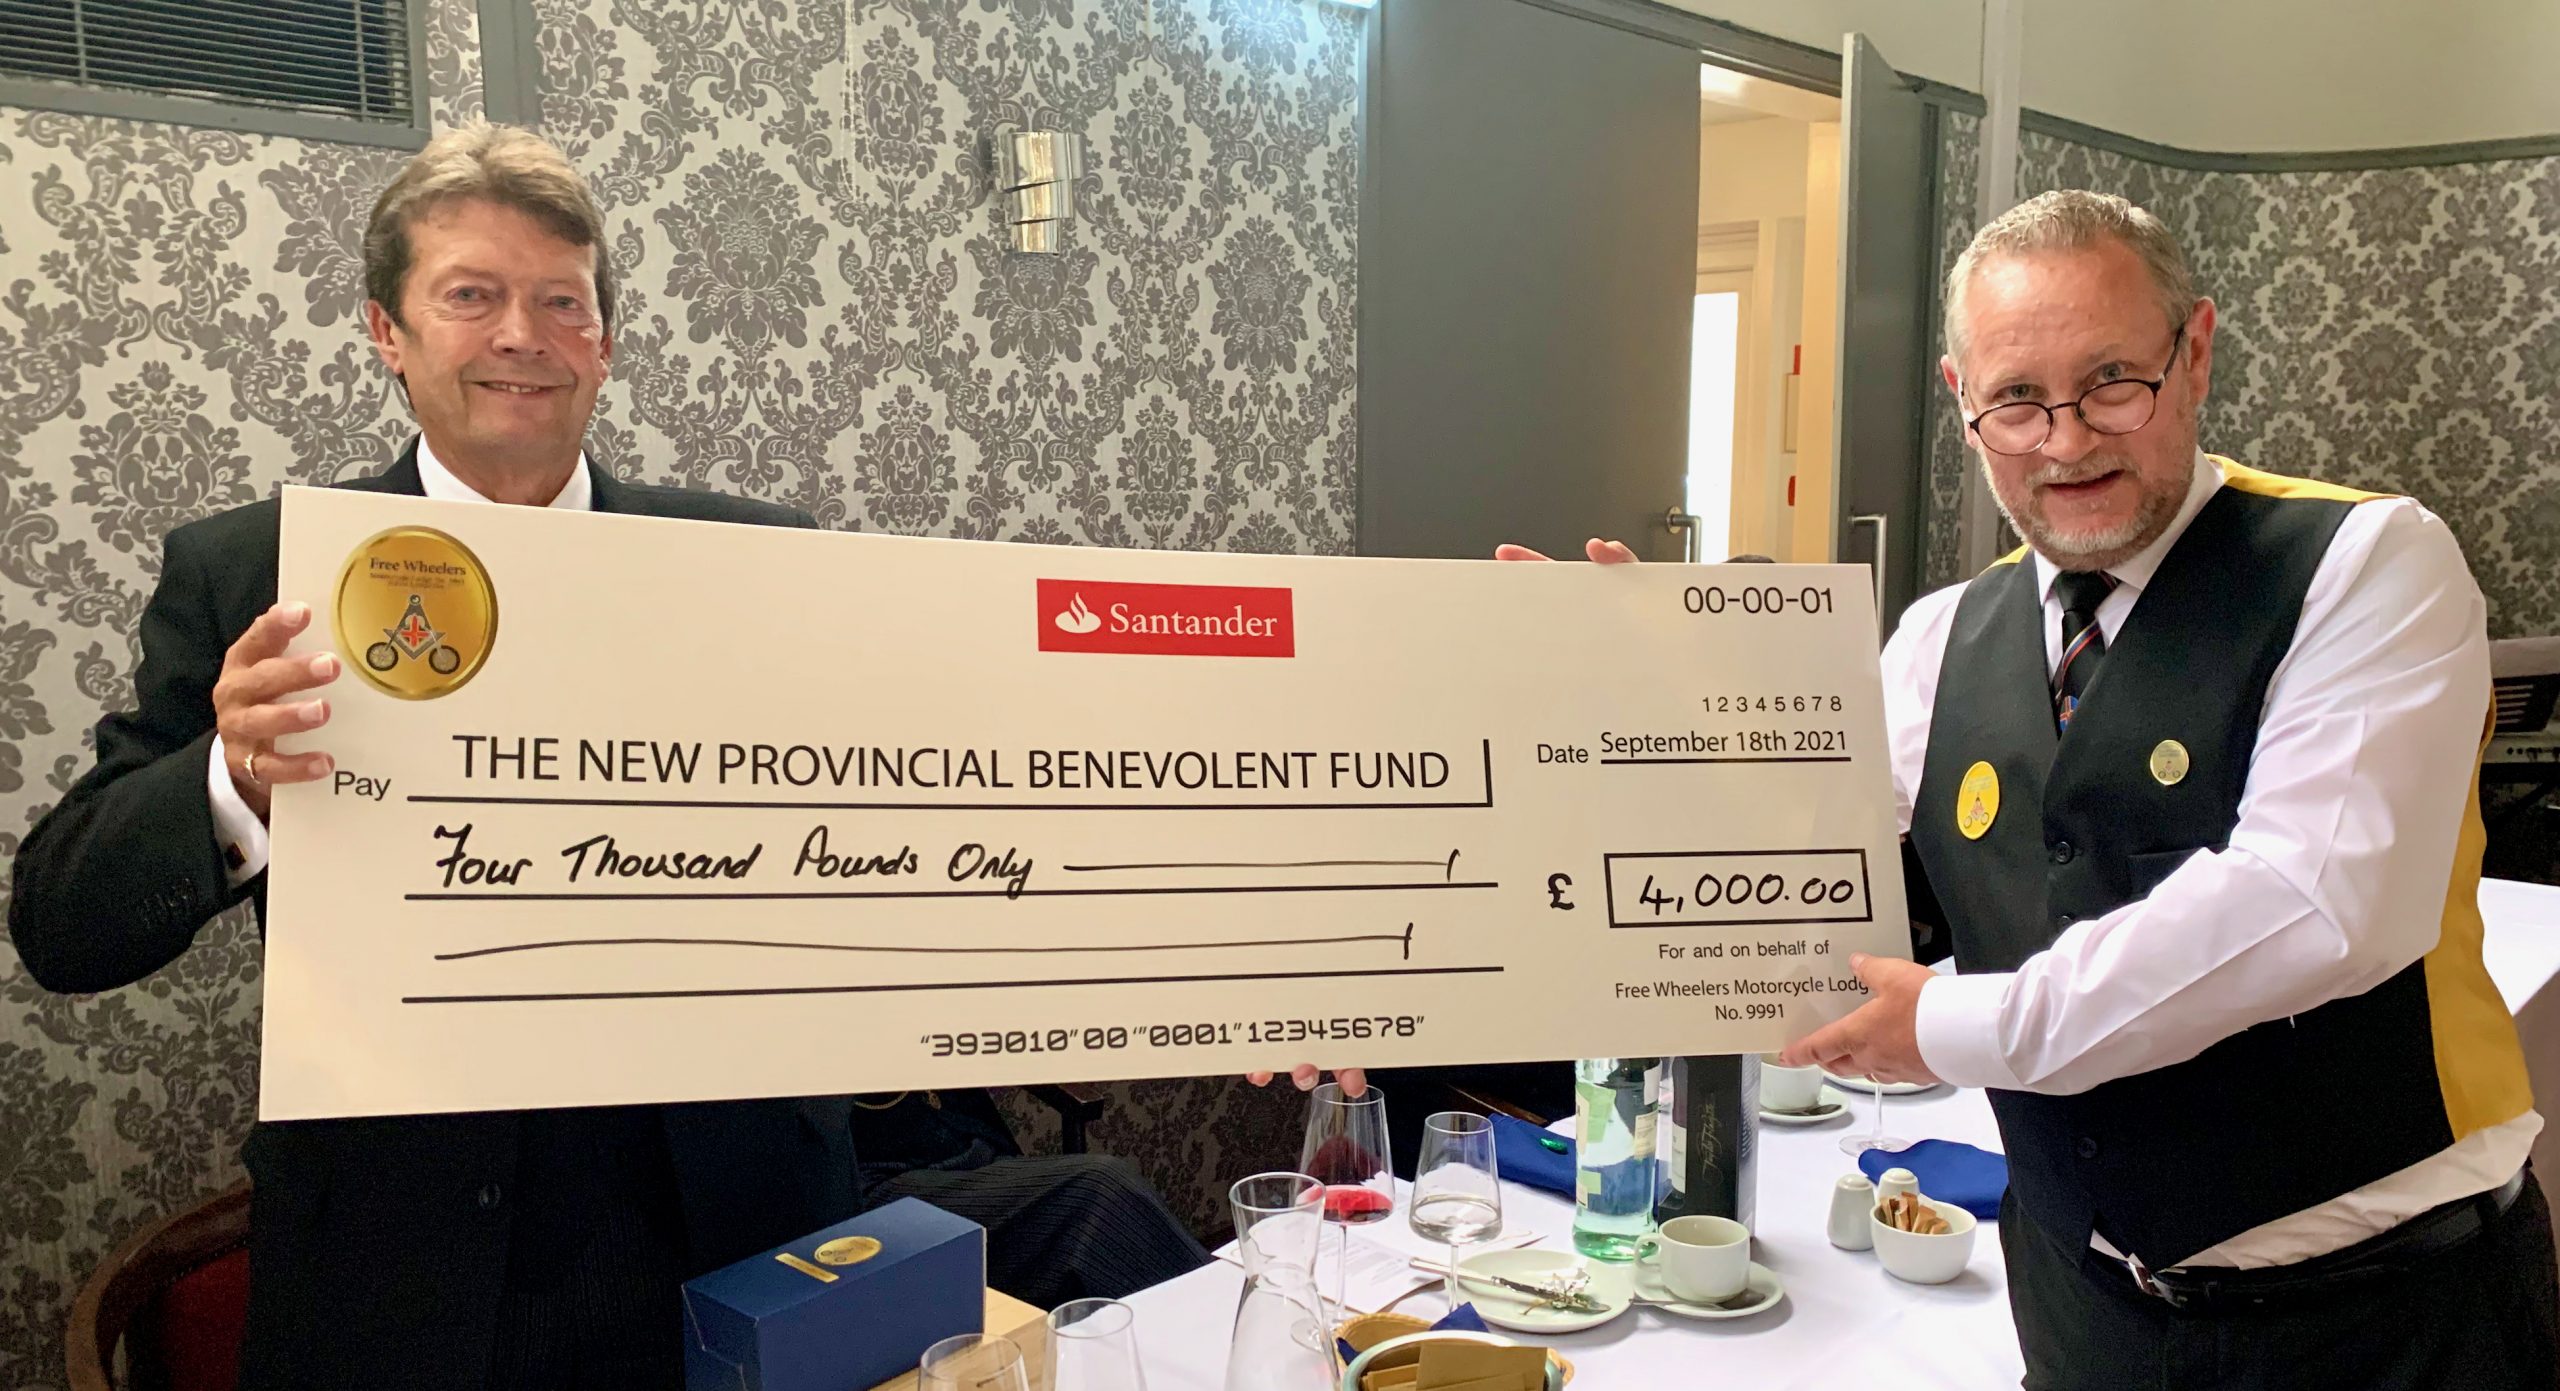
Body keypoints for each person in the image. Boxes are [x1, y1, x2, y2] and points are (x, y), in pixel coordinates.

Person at [8, 122, 1201, 1390]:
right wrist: (232, 775)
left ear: (605, 342)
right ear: (386, 332)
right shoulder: (253, 572)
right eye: (471, 295)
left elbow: (918, 827)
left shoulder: (761, 562)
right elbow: (64, 924)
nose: (522, 333)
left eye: (560, 301)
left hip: (743, 1241)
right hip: (412, 1274)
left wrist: (1219, 962)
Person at [1512, 189, 2556, 1389]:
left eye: (2111, 381)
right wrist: (1624, 724)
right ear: (1963, 399)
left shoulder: (2366, 563)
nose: (2064, 441)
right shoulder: (1938, 636)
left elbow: (2314, 906)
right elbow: (1781, 859)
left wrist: (1951, 1024)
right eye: (2015, 398)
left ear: (2195, 352)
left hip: (2379, 1320)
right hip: (2075, 1310)